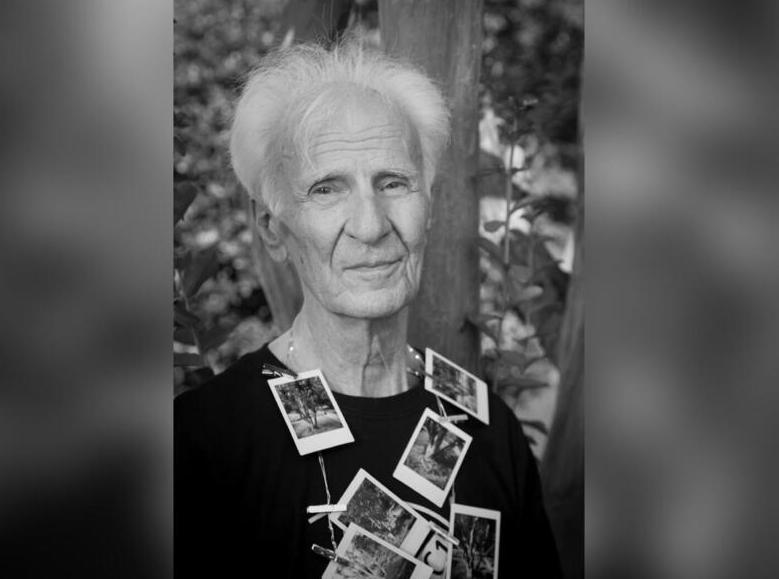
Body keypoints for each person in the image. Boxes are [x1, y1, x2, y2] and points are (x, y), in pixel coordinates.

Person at [174, 39, 561, 578]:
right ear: (273, 229)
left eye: (394, 183)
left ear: (429, 207)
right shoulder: (200, 444)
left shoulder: (490, 430)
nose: (371, 226)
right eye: (327, 189)